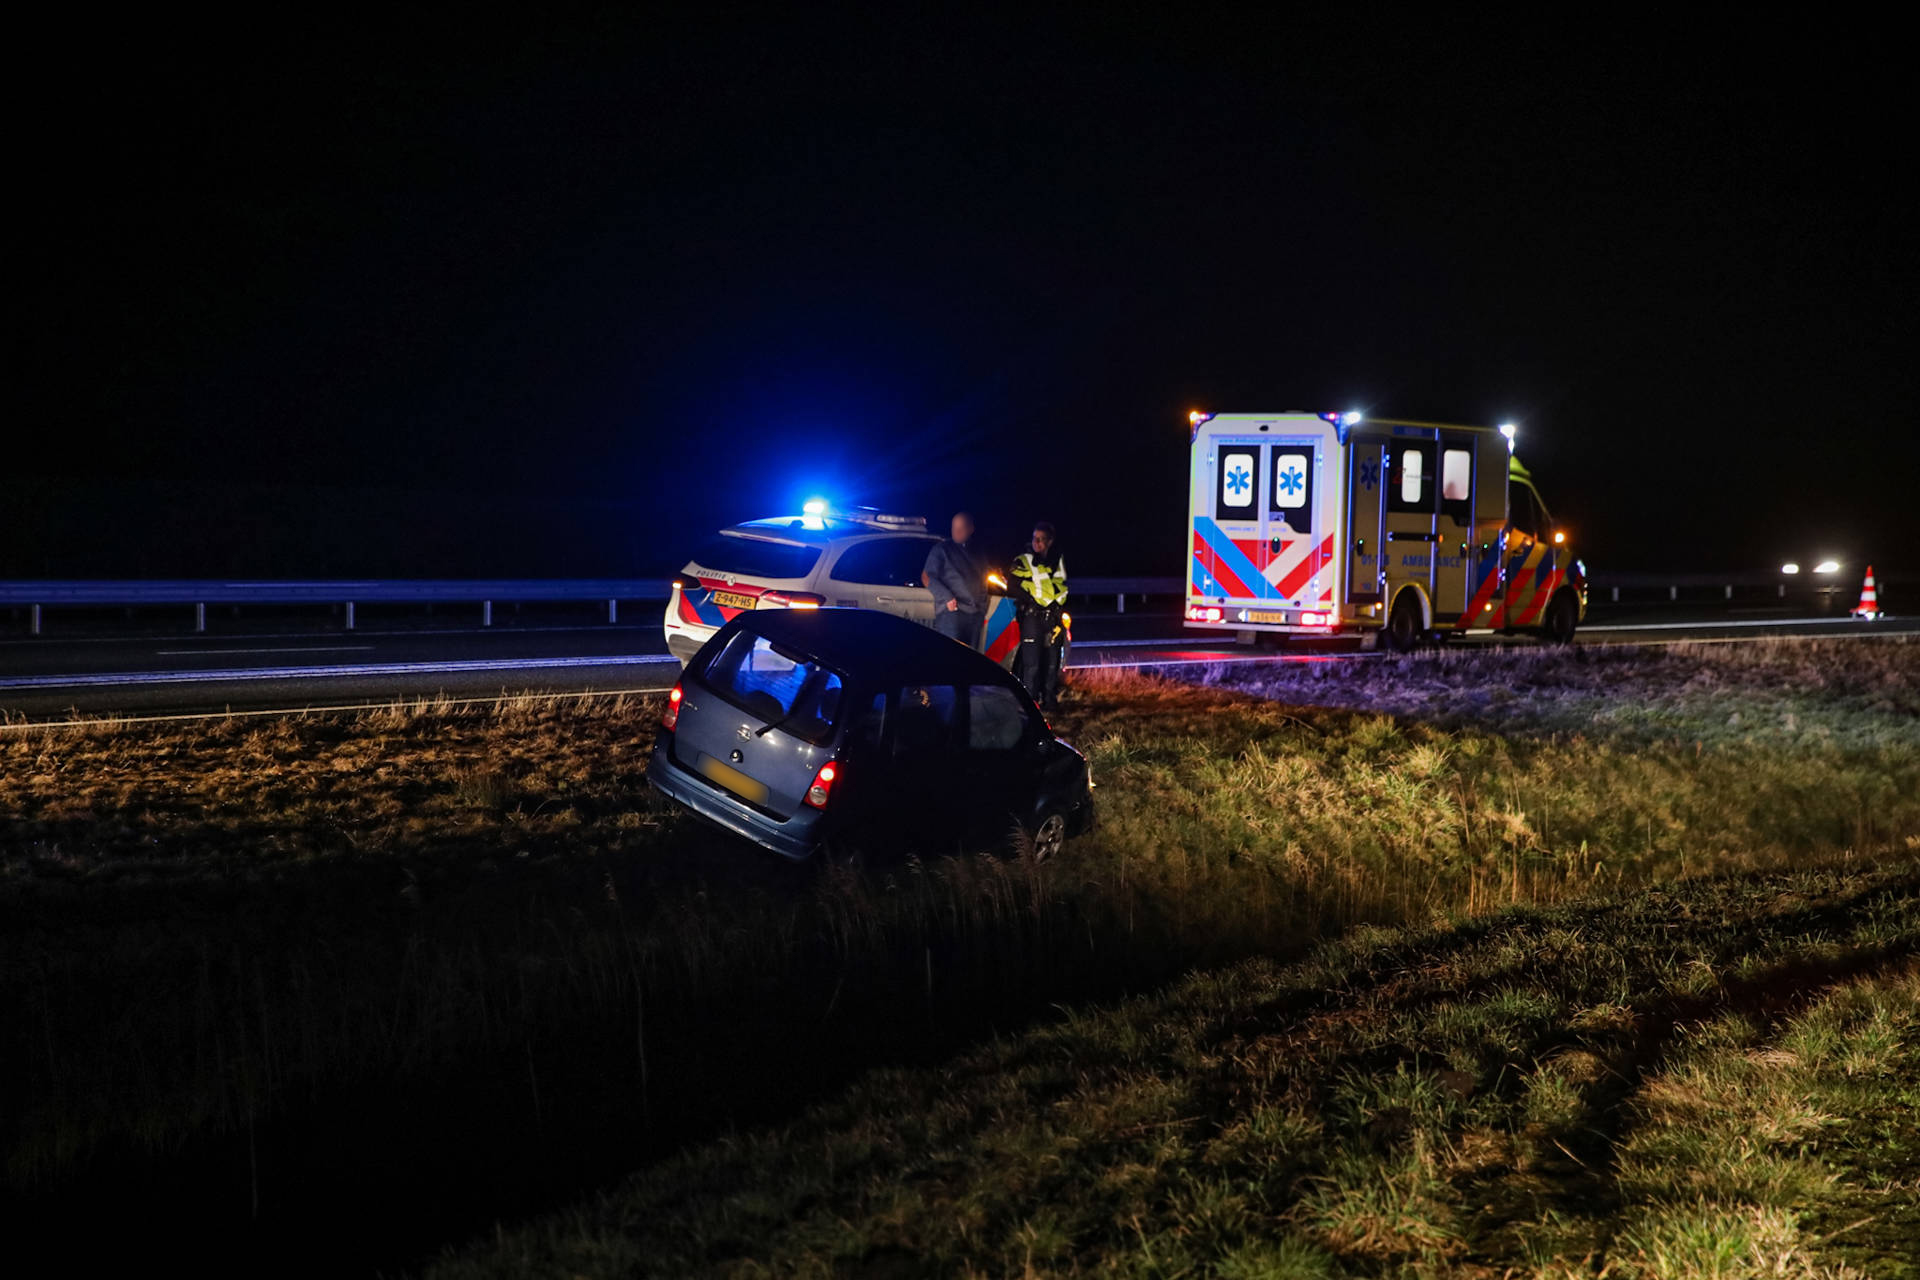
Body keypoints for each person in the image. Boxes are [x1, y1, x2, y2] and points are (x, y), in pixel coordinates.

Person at [1009, 521, 1068, 710]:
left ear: (1050, 541)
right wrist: (1029, 600)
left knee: (1052, 662)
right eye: (1035, 538)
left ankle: (1050, 700)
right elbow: (1012, 586)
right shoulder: (1023, 560)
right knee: (1032, 664)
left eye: (1041, 539)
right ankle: (1031, 704)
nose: (1037, 542)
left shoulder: (1058, 559)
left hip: (1053, 617)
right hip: (1032, 616)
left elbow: (1063, 585)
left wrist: (1057, 607)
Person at [922, 511, 989, 648]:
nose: (956, 532)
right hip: (952, 613)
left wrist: (981, 609)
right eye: (954, 528)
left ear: (971, 529)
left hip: (974, 615)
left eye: (961, 528)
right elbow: (926, 576)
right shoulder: (942, 549)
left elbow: (984, 580)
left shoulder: (978, 553)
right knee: (950, 655)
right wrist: (946, 597)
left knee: (969, 656)